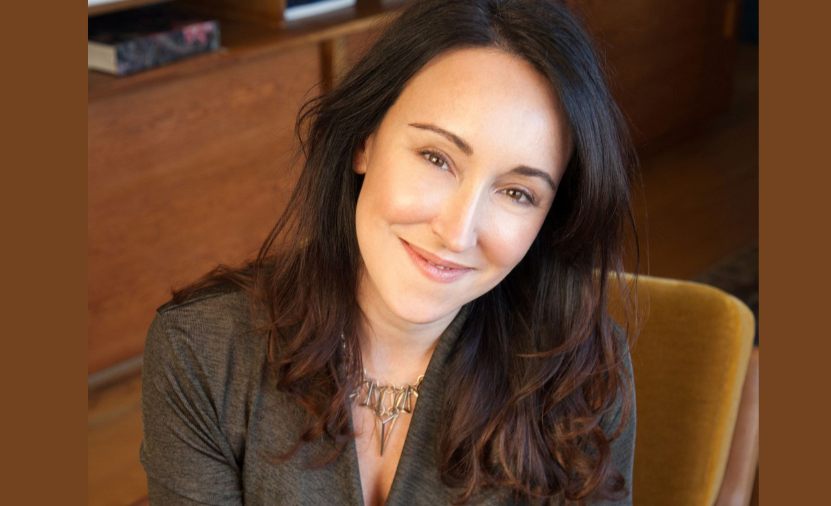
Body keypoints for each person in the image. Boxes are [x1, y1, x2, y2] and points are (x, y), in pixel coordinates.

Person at [139, 0, 639, 505]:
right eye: (436, 158)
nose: (458, 232)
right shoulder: (202, 350)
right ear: (364, 140)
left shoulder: (580, 376)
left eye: (517, 193)